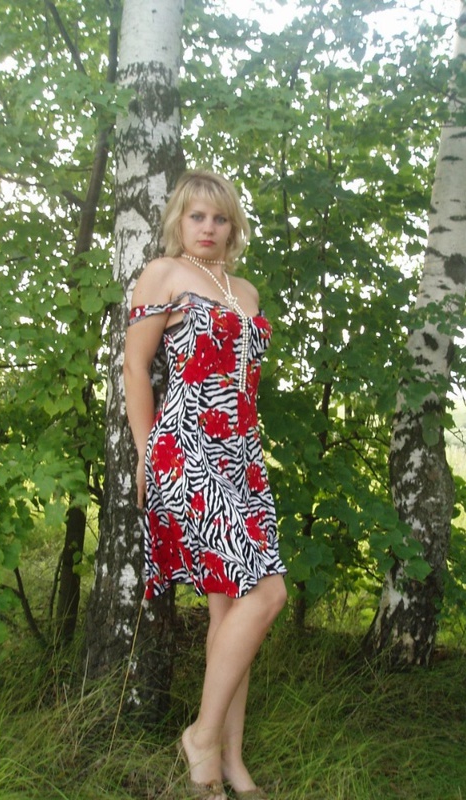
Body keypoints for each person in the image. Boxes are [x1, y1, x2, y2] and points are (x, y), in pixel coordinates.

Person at [123, 170, 287, 800]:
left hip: (240, 457)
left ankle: (226, 759)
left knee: (232, 607)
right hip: (187, 452)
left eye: (219, 218)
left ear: (233, 225)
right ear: (179, 221)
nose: (209, 228)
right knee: (267, 594)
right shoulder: (164, 273)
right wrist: (146, 453)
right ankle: (200, 738)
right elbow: (135, 366)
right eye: (197, 216)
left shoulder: (245, 290)